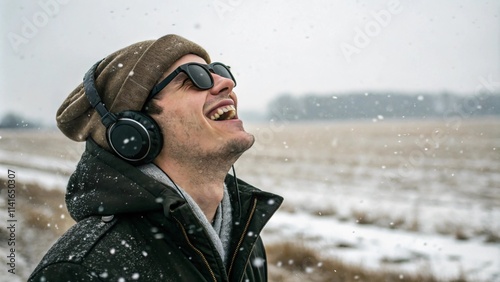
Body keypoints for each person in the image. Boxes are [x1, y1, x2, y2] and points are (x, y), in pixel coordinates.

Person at [29, 34, 283, 282]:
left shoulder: (243, 239)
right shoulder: (82, 270)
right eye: (194, 77)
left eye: (220, 71)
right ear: (135, 131)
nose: (227, 84)